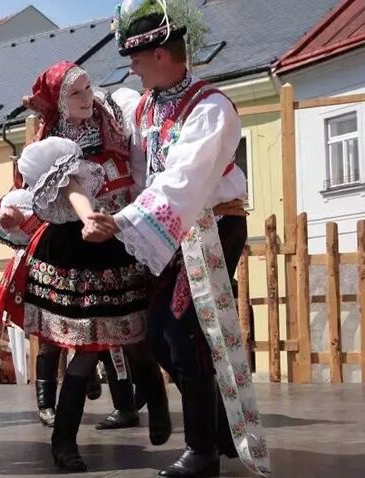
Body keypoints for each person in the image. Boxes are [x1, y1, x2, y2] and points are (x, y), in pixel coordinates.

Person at [98, 2, 272, 477]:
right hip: (171, 225)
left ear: (160, 54)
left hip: (210, 224)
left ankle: (203, 452)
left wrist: (122, 222)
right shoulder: (150, 104)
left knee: (184, 331)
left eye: (135, 58)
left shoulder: (210, 108)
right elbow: (140, 169)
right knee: (158, 334)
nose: (130, 68)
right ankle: (218, 431)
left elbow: (182, 182)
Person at [0, 61, 145, 429]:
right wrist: (14, 218)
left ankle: (125, 405)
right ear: (60, 101)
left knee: (116, 331)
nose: (86, 97)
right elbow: (31, 195)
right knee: (53, 332)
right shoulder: (50, 146)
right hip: (66, 243)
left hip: (115, 237)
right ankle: (48, 405)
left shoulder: (111, 123)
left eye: (88, 88)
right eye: (75, 93)